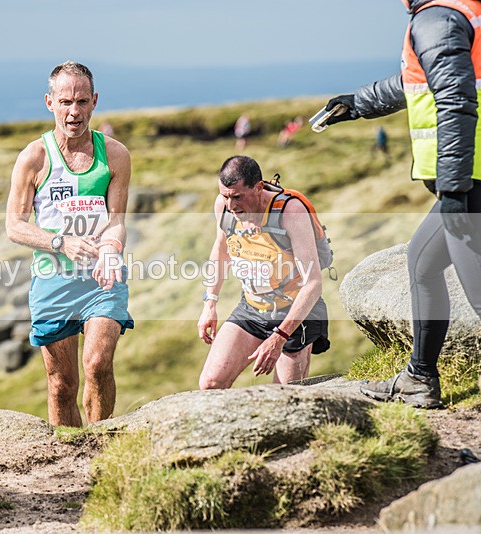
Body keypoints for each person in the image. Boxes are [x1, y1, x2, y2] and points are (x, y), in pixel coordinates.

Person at [318, 0, 481, 409]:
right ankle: (419, 377)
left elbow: (455, 99)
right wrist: (359, 103)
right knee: (422, 263)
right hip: (470, 178)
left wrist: (454, 190)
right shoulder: (459, 12)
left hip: (469, 182)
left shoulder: (437, 17)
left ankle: (420, 378)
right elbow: (419, 79)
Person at [5, 61, 133, 427]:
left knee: (98, 364)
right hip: (53, 280)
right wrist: (61, 243)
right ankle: (68, 456)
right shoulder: (34, 157)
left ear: (94, 101)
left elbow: (117, 221)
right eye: (65, 102)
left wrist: (110, 250)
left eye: (81, 101)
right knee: (62, 385)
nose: (73, 112)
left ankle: (101, 445)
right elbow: (14, 225)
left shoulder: (115, 155)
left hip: (101, 279)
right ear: (50, 103)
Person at [197, 156, 329, 389]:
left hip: (296, 314)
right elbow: (221, 249)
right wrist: (210, 302)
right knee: (210, 384)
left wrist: (279, 337)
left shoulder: (290, 212)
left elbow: (313, 284)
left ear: (258, 188)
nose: (231, 206)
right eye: (225, 196)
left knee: (286, 396)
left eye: (237, 197)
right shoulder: (224, 207)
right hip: (252, 308)